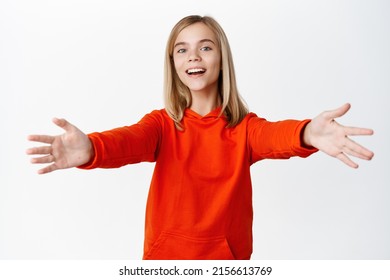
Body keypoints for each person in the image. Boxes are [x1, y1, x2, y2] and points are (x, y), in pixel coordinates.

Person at [26, 15, 374, 260]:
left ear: (222, 60)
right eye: (182, 49)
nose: (193, 55)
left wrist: (308, 131)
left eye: (205, 47)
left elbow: (276, 136)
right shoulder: (161, 125)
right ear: (174, 63)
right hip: (164, 265)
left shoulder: (244, 128)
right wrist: (92, 148)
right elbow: (128, 141)